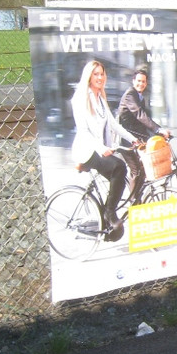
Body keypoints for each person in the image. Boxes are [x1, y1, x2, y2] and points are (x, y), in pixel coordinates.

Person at [70, 60, 139, 240]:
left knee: (120, 177)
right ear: (89, 76)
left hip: (98, 149)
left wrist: (133, 139)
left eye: (102, 74)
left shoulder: (100, 98)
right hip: (86, 150)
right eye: (96, 74)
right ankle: (109, 214)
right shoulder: (80, 98)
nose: (100, 77)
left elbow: (113, 124)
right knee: (119, 167)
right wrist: (101, 148)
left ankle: (105, 222)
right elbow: (83, 131)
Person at [117, 68, 172, 200]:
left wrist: (157, 134)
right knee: (136, 170)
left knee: (144, 168)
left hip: (134, 138)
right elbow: (140, 115)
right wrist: (158, 130)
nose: (141, 84)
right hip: (125, 140)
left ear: (146, 83)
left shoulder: (139, 97)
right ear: (133, 81)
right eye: (138, 81)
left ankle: (138, 196)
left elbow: (143, 122)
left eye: (143, 82)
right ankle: (134, 203)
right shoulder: (130, 95)